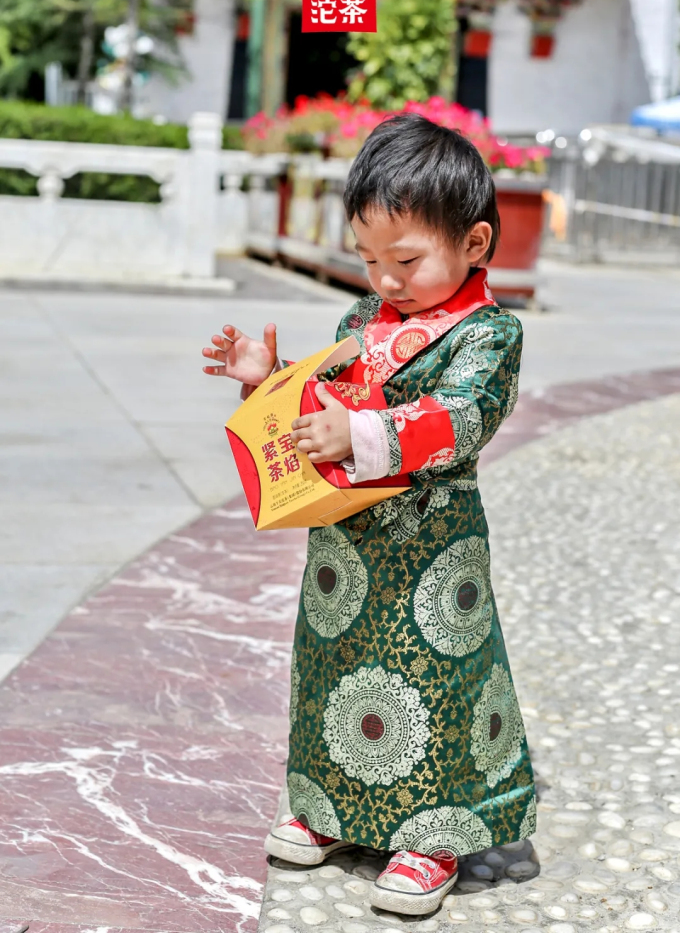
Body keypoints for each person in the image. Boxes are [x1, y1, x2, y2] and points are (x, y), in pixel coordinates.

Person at [202, 114, 536, 916]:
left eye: (407, 260)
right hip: (345, 539)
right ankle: (327, 807)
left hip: (433, 544)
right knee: (333, 665)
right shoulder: (361, 325)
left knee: (434, 672)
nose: (385, 280)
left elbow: (460, 418)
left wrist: (356, 433)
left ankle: (432, 834)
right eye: (369, 259)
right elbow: (333, 399)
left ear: (476, 244)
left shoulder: (489, 334)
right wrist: (273, 378)